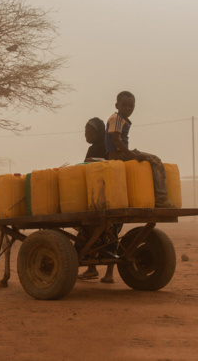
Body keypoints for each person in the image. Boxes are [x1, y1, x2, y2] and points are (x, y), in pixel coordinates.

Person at [105, 91, 174, 208]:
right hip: (118, 154)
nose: (128, 108)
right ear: (117, 106)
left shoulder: (121, 119)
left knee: (151, 161)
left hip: (121, 153)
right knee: (155, 160)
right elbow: (116, 140)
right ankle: (161, 198)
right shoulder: (116, 118)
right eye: (124, 105)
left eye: (131, 106)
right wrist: (132, 155)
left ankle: (157, 196)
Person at [78, 117, 117, 281]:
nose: (86, 135)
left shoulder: (105, 148)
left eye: (90, 132)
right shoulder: (96, 147)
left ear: (99, 132)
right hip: (102, 195)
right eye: (85, 132)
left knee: (98, 232)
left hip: (104, 196)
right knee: (109, 234)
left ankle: (101, 271)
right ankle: (99, 271)